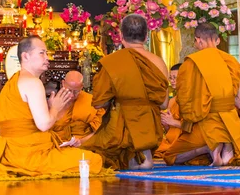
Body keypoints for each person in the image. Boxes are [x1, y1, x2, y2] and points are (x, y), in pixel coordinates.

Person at [0, 36, 104, 178]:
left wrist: (51, 108)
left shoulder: (15, 80)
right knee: (93, 160)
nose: (47, 58)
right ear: (25, 56)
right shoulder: (33, 82)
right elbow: (44, 125)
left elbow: (31, 121)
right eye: (42, 53)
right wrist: (56, 108)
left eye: (46, 53)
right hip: (30, 155)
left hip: (10, 152)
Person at [84, 14, 169, 170]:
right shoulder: (159, 62)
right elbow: (164, 104)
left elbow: (99, 103)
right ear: (145, 37)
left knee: (87, 154)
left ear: (121, 36)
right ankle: (144, 155)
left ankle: (135, 158)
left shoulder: (112, 62)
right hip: (150, 128)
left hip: (120, 130)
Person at [163, 23, 240, 166]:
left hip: (204, 124)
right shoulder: (232, 61)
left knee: (170, 156)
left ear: (199, 40)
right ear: (217, 40)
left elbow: (185, 99)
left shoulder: (191, 62)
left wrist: (188, 121)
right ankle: (226, 148)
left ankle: (207, 148)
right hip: (231, 125)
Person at [51, 71, 105, 146]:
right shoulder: (53, 102)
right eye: (69, 90)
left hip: (84, 144)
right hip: (57, 144)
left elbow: (101, 131)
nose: (72, 95)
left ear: (82, 87)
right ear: (62, 83)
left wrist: (82, 141)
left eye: (76, 91)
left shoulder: (91, 102)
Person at [145, 0, 182, 71]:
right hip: (150, 32)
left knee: (163, 59)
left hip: (163, 32)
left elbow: (170, 12)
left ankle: (167, 82)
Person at [155, 63, 183, 159]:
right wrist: (166, 124)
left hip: (185, 140)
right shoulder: (172, 101)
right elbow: (170, 132)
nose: (172, 81)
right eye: (171, 78)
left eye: (175, 77)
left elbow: (195, 127)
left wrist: (173, 122)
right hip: (171, 141)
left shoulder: (192, 99)